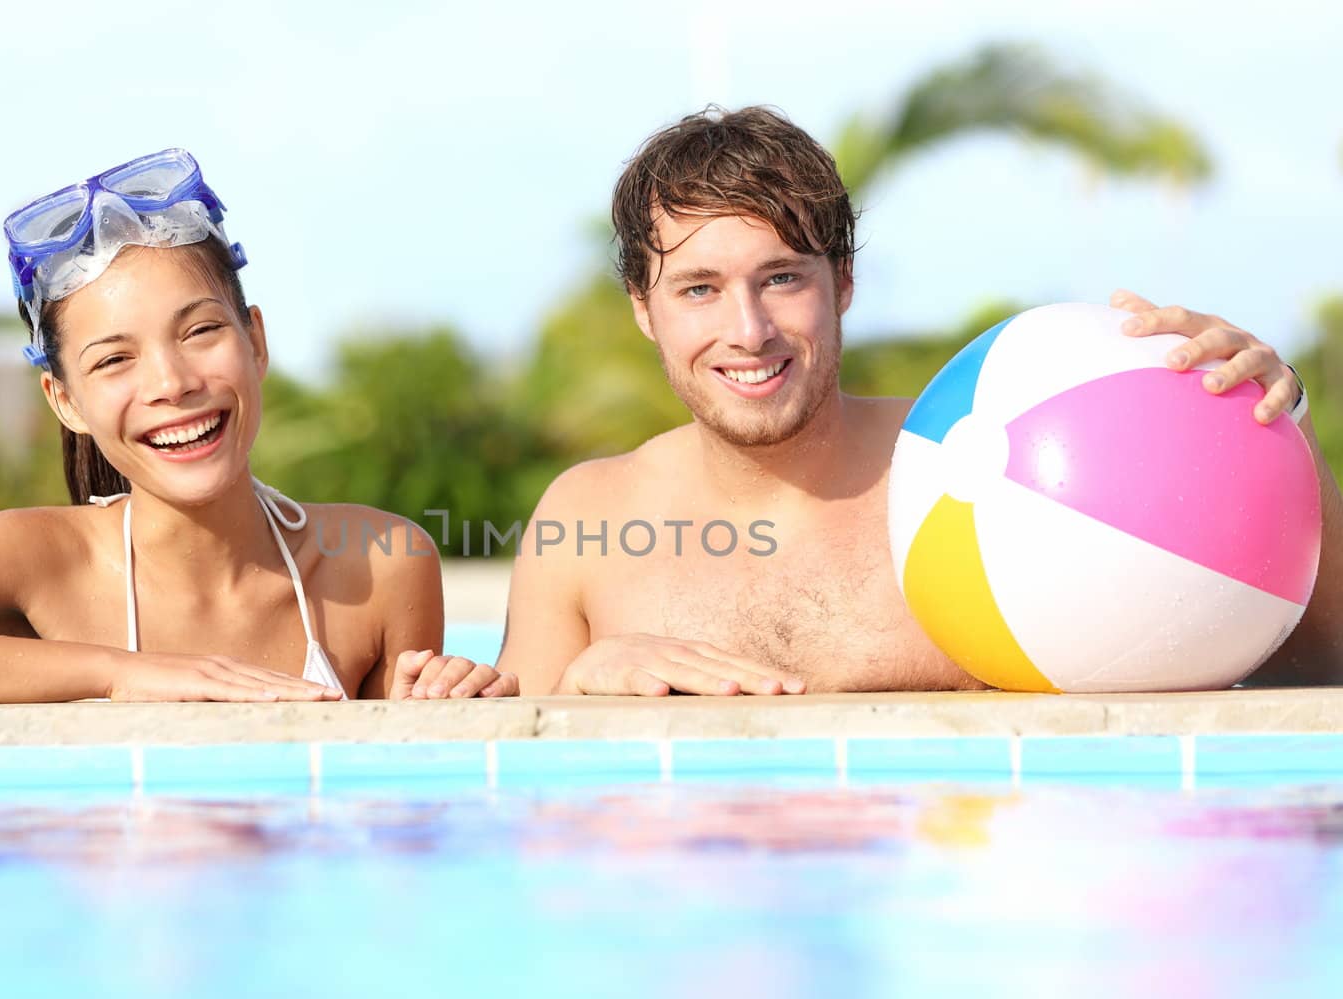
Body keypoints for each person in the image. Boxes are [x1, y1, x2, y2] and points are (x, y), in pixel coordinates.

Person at [497, 106, 1343, 696]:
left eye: (782, 278)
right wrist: (581, 687)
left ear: (846, 284)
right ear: (644, 310)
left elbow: (1311, 669)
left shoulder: (991, 470)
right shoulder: (586, 521)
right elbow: (508, 788)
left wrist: (1273, 425)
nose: (748, 329)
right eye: (699, 289)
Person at [0, 149, 515, 706]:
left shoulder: (380, 565)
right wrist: (123, 670)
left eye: (200, 331)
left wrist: (448, 695)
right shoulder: (36, 563)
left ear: (256, 340)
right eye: (115, 359)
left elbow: (396, 825)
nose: (172, 384)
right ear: (66, 400)